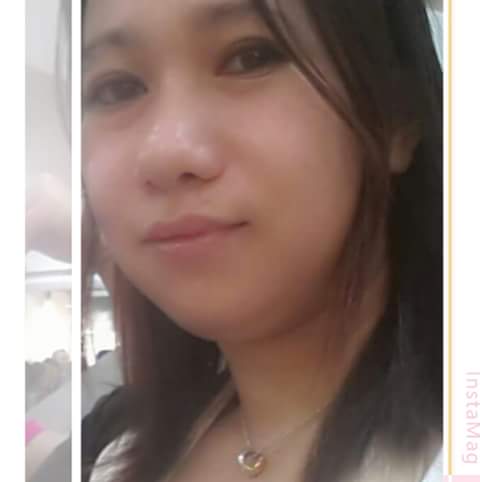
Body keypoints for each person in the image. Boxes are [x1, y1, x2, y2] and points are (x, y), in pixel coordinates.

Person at [81, 1, 443, 481]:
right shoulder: (117, 458)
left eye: (250, 57)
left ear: (396, 116)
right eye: (117, 88)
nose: (166, 154)